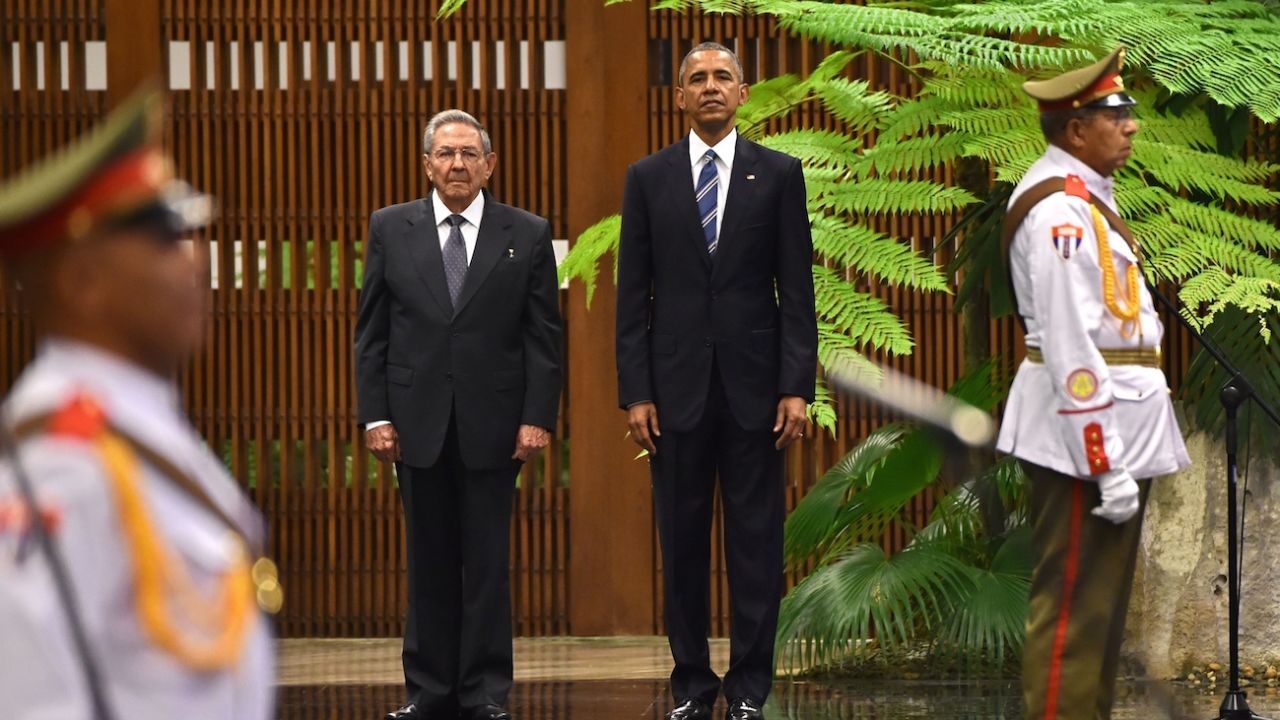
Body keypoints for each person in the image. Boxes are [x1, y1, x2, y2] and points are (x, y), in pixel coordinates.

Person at [0, 89, 277, 719]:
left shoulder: (132, 427)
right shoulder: (59, 462)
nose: (195, 258)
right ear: (82, 282)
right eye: (164, 236)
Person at [615, 41, 818, 720]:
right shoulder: (647, 178)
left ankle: (751, 690)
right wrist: (636, 391)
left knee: (757, 545)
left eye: (721, 78)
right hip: (673, 396)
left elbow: (797, 289)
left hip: (758, 393)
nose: (709, 87)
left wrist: (797, 386)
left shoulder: (781, 174)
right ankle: (693, 686)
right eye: (696, 79)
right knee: (682, 542)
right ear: (677, 97)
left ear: (743, 93)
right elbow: (631, 298)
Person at [996, 46, 1191, 720]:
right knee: (1074, 615)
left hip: (1113, 426)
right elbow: (1070, 343)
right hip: (1081, 440)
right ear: (1077, 128)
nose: (1132, 124)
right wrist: (1103, 463)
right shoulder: (1058, 212)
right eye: (1116, 111)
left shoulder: (1086, 200)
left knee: (1099, 617)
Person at [354, 109, 563, 720]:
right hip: (413, 423)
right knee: (428, 564)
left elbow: (543, 336)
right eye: (445, 154)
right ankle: (428, 692)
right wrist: (375, 416)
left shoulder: (525, 232)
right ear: (427, 164)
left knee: (488, 566)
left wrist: (537, 416)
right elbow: (372, 334)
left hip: (495, 427)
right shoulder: (391, 228)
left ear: (489, 164)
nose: (457, 164)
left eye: (470, 154)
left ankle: (486, 692)